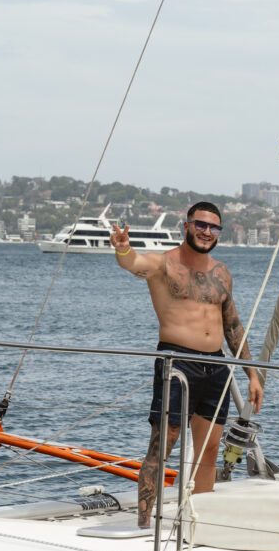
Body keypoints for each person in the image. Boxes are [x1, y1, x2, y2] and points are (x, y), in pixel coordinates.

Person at [110, 202, 263, 527]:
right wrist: (123, 250)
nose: (207, 231)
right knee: (163, 443)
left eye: (213, 227)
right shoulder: (164, 264)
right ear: (187, 226)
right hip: (177, 361)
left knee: (208, 449)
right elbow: (133, 262)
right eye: (201, 225)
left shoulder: (221, 273)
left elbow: (233, 326)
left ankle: (199, 520)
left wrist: (253, 374)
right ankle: (144, 524)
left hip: (216, 365)